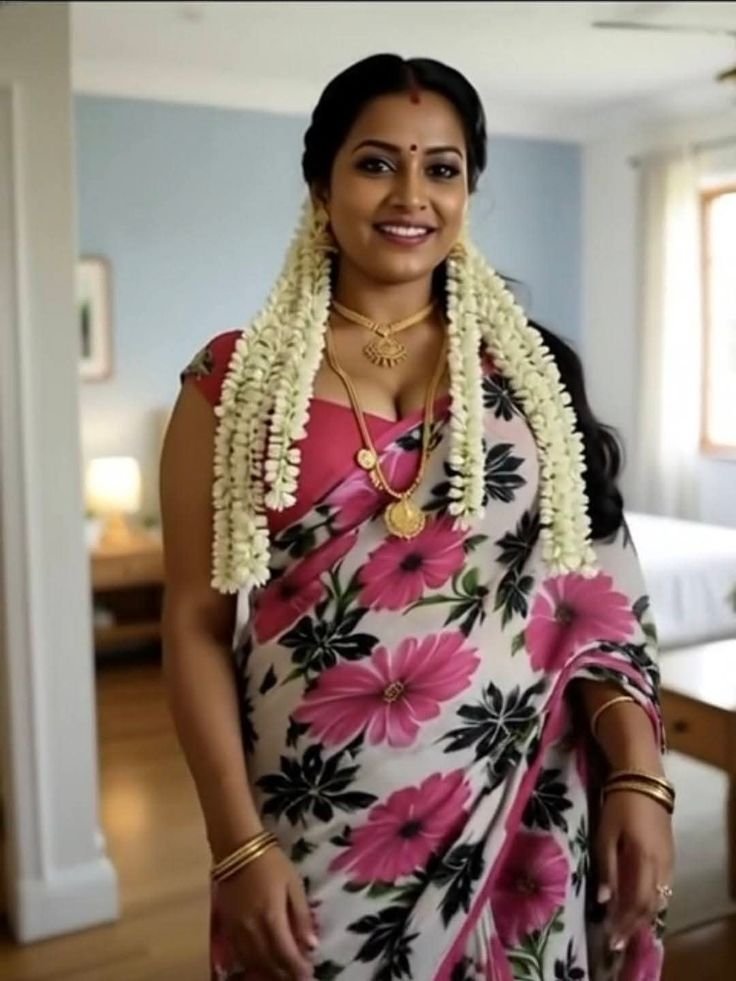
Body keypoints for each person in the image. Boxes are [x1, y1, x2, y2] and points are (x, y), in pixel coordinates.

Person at [159, 53, 674, 981]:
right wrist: (236, 843)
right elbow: (195, 623)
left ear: (468, 189)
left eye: (442, 167)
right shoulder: (233, 382)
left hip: (520, 812)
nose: (411, 195)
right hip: (315, 812)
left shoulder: (529, 375)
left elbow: (594, 603)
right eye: (375, 163)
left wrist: (638, 771)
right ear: (322, 185)